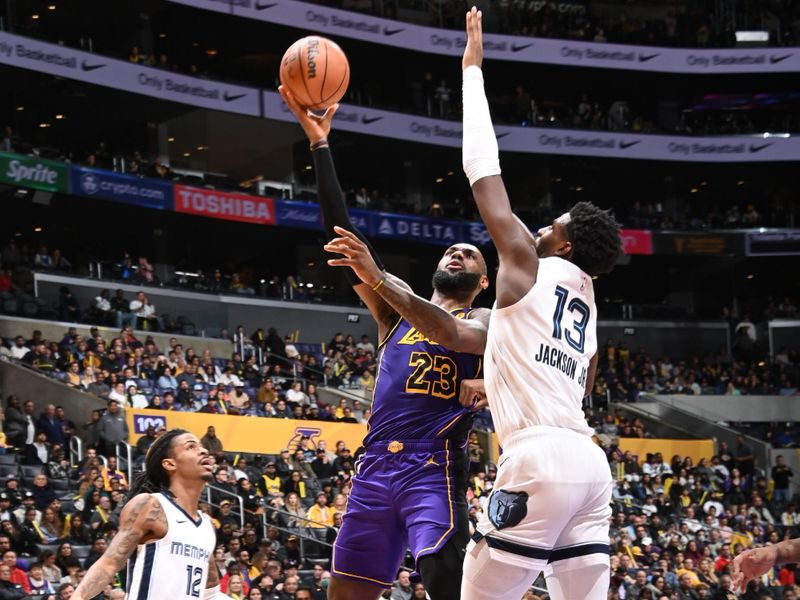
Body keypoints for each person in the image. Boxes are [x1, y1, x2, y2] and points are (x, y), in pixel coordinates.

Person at [280, 81, 492, 600]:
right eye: (452, 250)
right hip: (374, 465)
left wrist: (490, 379)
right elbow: (342, 236)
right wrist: (318, 144)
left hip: (434, 466)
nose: (457, 254)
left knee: (446, 579)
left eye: (470, 254)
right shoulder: (392, 311)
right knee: (347, 592)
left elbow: (466, 338)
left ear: (484, 279)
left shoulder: (485, 317)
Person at [457, 9, 622, 600]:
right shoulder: (592, 303)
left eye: (552, 225)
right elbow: (579, 382)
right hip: (590, 463)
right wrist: (501, 377)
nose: (542, 227)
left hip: (538, 458)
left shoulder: (527, 261)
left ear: (566, 242)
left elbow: (483, 171)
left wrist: (473, 73)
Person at [71, 429, 219, 599]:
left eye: (201, 446)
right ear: (170, 464)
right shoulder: (151, 506)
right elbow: (109, 565)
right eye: (191, 447)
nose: (203, 450)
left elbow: (210, 593)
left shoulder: (207, 525)